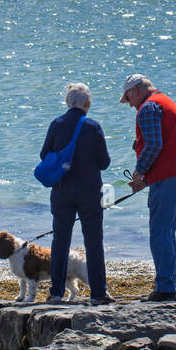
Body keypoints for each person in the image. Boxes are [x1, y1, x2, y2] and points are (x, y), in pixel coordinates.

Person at [120, 73, 176, 302]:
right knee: (167, 231)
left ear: (134, 91)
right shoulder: (167, 102)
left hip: (170, 176)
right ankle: (168, 282)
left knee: (160, 232)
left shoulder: (148, 107)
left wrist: (139, 173)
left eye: (128, 99)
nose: (130, 105)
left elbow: (153, 145)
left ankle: (165, 287)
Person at [40, 82, 114, 306]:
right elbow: (104, 162)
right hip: (90, 191)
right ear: (87, 104)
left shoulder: (57, 124)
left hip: (62, 190)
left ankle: (55, 293)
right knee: (93, 242)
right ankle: (98, 293)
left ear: (67, 102)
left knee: (60, 241)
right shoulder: (93, 126)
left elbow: (45, 155)